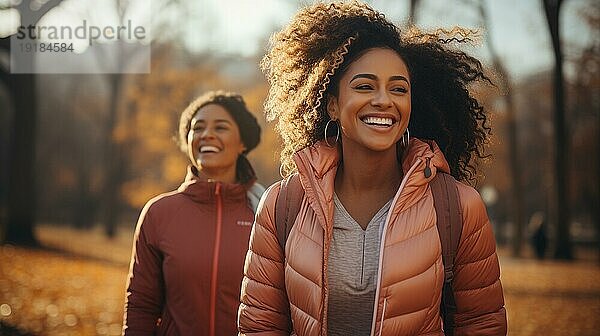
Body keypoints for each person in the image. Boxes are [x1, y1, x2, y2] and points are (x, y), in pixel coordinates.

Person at [238, 2, 507, 335]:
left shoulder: (457, 207)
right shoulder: (282, 205)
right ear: (332, 105)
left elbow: (481, 324)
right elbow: (260, 326)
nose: (384, 100)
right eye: (365, 86)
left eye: (398, 89)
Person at [123, 91, 264, 335]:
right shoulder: (159, 213)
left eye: (221, 127)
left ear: (243, 143)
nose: (206, 134)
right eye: (197, 128)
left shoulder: (267, 211)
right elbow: (141, 304)